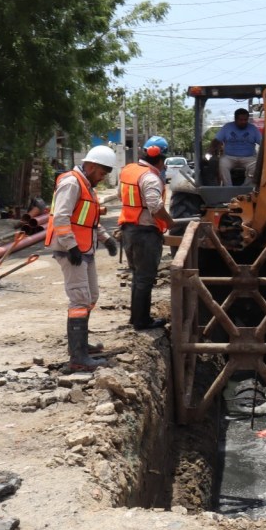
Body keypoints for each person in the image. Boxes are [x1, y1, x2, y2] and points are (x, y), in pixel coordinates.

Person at [45, 145, 119, 372]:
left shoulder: (86, 186)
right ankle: (77, 358)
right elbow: (61, 217)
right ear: (91, 166)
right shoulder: (71, 183)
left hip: (84, 248)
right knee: (79, 299)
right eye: (101, 173)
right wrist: (71, 246)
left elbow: (88, 221)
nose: (103, 177)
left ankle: (81, 345)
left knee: (91, 296)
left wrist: (106, 239)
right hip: (72, 250)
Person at [117, 135, 176, 330]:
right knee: (145, 277)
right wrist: (169, 221)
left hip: (128, 229)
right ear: (161, 160)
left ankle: (137, 317)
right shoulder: (150, 178)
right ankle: (142, 321)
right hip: (145, 233)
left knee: (138, 275)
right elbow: (155, 206)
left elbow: (120, 196)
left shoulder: (128, 171)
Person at [215, 108, 262, 186]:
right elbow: (217, 140)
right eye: (241, 120)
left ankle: (245, 188)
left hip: (249, 158)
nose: (243, 122)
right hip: (229, 157)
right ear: (235, 119)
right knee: (222, 163)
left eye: (245, 120)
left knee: (256, 164)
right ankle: (228, 187)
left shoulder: (253, 129)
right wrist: (211, 151)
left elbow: (262, 143)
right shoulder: (227, 127)